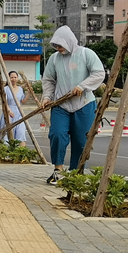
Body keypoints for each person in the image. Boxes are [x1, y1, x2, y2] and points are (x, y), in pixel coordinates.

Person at [42, 26, 105, 184]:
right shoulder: (54, 59)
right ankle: (58, 170)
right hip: (60, 105)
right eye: (55, 45)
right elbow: (49, 80)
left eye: (60, 45)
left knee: (81, 141)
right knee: (57, 134)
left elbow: (99, 73)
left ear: (69, 41)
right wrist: (47, 97)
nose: (58, 48)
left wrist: (82, 86)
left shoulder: (86, 54)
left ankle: (76, 173)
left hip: (84, 104)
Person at [0, 71, 26, 145]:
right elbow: (5, 102)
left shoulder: (20, 89)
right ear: (8, 78)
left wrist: (29, 93)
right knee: (7, 134)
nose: (13, 79)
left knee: (21, 133)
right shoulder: (6, 89)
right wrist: (9, 110)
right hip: (9, 113)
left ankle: (21, 151)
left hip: (19, 113)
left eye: (15, 77)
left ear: (17, 78)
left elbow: (23, 101)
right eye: (11, 77)